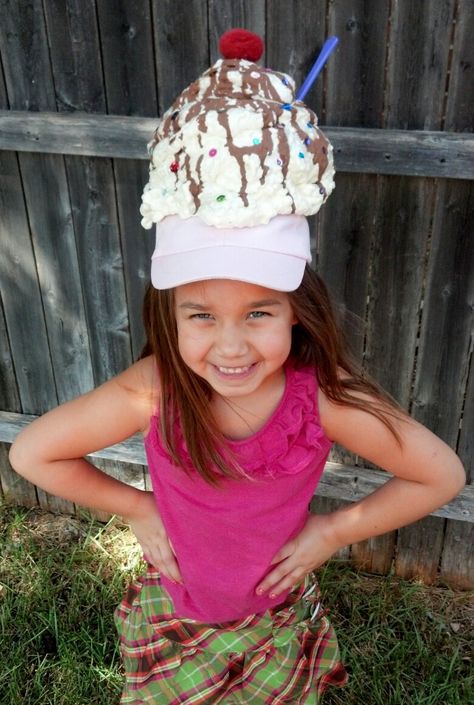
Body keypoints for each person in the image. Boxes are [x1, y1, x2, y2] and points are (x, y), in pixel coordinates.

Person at [9, 30, 465, 705]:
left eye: (259, 312)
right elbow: (33, 453)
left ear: (298, 312)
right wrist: (136, 506)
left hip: (273, 620)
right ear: (168, 314)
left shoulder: (324, 399)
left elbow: (441, 473)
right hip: (178, 613)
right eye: (201, 315)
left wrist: (334, 530)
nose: (231, 346)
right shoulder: (154, 388)